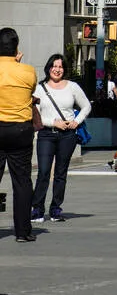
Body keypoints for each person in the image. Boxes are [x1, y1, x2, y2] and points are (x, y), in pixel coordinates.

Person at [31, 54, 91, 223]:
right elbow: (35, 114)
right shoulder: (39, 88)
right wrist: (53, 122)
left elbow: (86, 106)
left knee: (60, 172)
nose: (57, 70)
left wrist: (76, 122)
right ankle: (37, 209)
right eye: (54, 66)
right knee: (43, 171)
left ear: (64, 69)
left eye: (60, 67)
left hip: (68, 135)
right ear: (48, 68)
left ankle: (56, 208)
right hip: (46, 134)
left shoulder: (72, 87)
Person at [0, 26, 38, 242]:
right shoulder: (28, 71)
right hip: (20, 129)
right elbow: (30, 89)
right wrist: (17, 63)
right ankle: (23, 231)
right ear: (16, 48)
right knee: (22, 181)